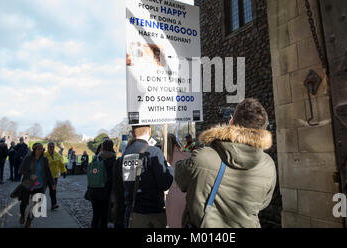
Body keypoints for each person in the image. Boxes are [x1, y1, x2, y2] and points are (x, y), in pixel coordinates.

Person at [175, 98, 277, 228]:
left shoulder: (202, 158)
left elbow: (180, 178)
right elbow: (263, 203)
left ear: (231, 122)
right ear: (262, 132)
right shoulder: (268, 165)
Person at [115, 125, 173, 228]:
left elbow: (120, 186)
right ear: (149, 132)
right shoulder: (154, 152)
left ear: (133, 133)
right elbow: (165, 184)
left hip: (132, 211)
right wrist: (169, 169)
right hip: (153, 212)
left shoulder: (124, 155)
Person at [19, 143, 55, 228]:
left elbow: (48, 172)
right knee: (24, 203)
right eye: (38, 149)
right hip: (28, 184)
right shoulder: (28, 158)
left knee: (35, 205)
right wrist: (30, 175)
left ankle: (29, 221)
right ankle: (22, 214)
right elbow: (22, 170)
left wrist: (53, 183)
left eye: (42, 149)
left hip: (40, 185)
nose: (40, 150)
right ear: (34, 150)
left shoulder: (45, 160)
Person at [88, 138, 116, 228]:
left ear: (102, 147)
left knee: (95, 214)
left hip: (93, 189)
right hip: (105, 191)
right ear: (112, 147)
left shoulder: (96, 158)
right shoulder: (113, 160)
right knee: (104, 215)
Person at [165, 134, 190, 228]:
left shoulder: (164, 157)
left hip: (171, 195)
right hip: (186, 193)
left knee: (173, 223)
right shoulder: (187, 155)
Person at [45, 142, 67, 211]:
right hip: (45, 176)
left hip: (54, 177)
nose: (51, 148)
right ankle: (37, 204)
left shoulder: (57, 155)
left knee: (53, 191)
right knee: (41, 191)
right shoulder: (44, 155)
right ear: (48, 147)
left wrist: (64, 171)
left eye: (53, 147)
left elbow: (61, 164)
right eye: (50, 147)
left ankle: (54, 204)